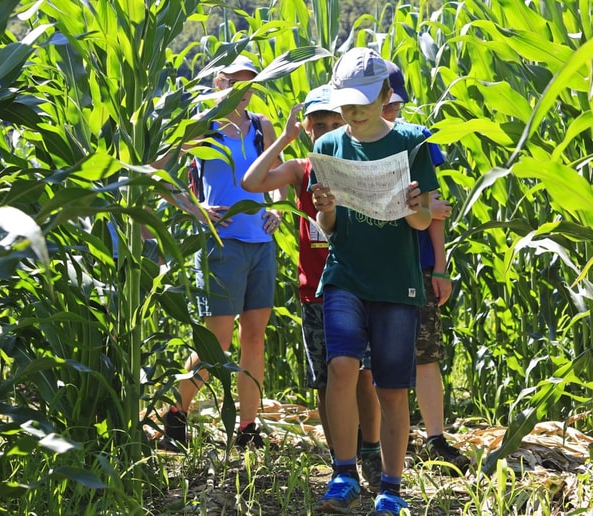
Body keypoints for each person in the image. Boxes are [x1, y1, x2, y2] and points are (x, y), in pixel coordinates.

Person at [309, 47, 437, 515]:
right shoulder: (327, 146)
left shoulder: (412, 143)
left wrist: (414, 205)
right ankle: (343, 474)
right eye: (346, 101)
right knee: (341, 368)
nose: (354, 110)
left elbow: (425, 221)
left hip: (397, 283)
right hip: (345, 274)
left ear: (386, 93)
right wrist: (325, 211)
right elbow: (328, 229)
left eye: (364, 99)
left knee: (390, 388)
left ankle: (391, 487)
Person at [241, 85, 382, 486]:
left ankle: (370, 450)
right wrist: (282, 139)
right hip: (316, 291)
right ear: (306, 128)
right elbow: (253, 182)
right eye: (318, 124)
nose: (326, 130)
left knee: (364, 376)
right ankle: (343, 458)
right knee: (325, 380)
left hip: (360, 289)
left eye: (334, 122)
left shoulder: (359, 165)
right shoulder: (301, 169)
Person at [160, 55, 284, 449]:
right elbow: (157, 171)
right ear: (218, 83)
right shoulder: (202, 127)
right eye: (235, 84)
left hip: (261, 244)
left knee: (255, 338)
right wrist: (194, 208)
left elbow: (278, 178)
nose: (243, 93)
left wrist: (279, 207)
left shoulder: (263, 127)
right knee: (218, 342)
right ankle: (175, 412)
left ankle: (248, 427)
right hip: (221, 244)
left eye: (249, 85)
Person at [382, 60, 469, 474]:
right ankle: (373, 442)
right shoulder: (350, 142)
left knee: (426, 353)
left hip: (416, 266)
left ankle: (435, 438)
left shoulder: (417, 141)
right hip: (373, 267)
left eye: (395, 105)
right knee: (372, 361)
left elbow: (436, 211)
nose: (390, 112)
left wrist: (440, 266)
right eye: (384, 103)